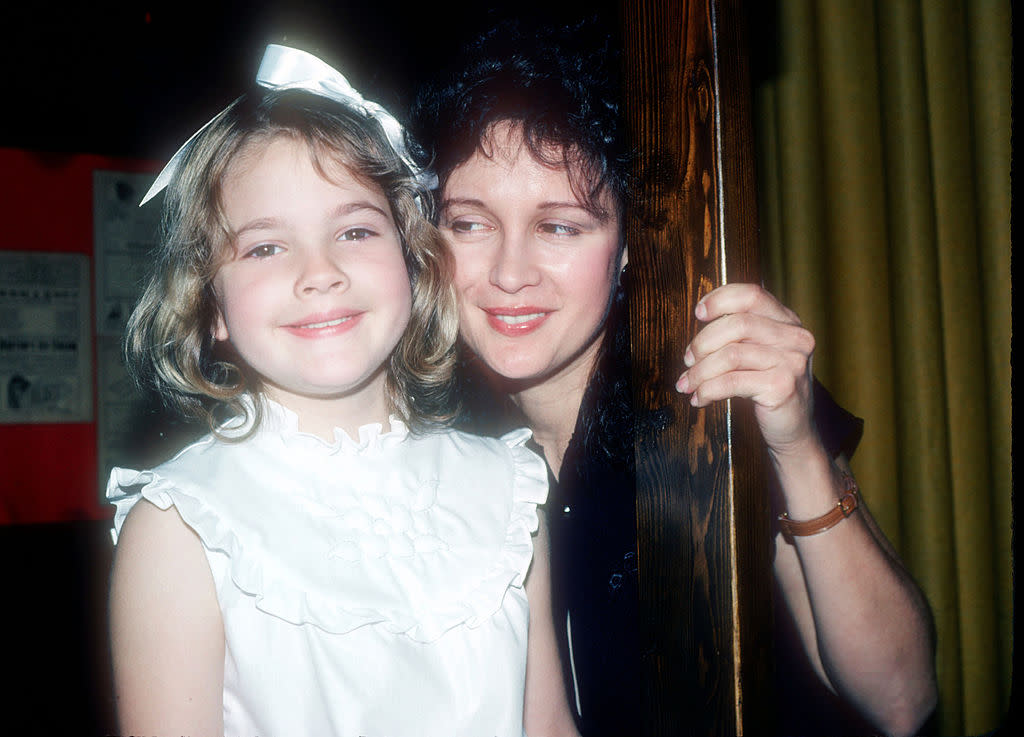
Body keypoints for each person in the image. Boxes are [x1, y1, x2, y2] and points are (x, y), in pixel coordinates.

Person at [409, 17, 938, 737]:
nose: (509, 273)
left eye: (559, 226)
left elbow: (904, 699)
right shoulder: (429, 447)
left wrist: (796, 448)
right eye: (470, 223)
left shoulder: (711, 392)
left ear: (628, 245)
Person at [107, 44, 578, 737]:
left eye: (355, 230)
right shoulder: (185, 526)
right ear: (211, 305)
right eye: (266, 247)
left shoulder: (509, 491)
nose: (319, 272)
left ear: (414, 262)